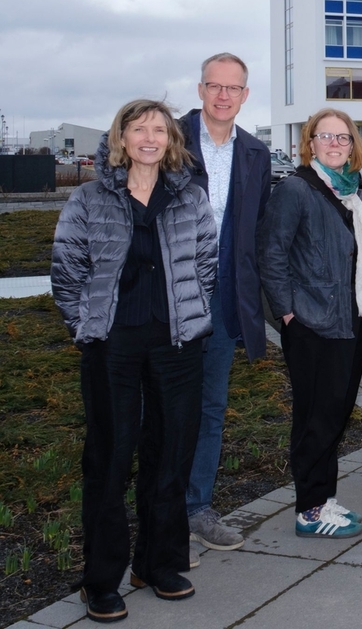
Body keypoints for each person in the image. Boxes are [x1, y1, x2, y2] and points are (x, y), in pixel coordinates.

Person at [51, 99, 219, 620]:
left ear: (172, 141)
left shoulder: (189, 198)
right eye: (138, 129)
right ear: (120, 138)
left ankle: (159, 561)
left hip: (177, 345)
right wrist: (86, 327)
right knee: (111, 456)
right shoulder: (88, 198)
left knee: (171, 452)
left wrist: (193, 320)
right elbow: (67, 267)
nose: (149, 138)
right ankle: (100, 578)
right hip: (112, 346)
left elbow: (206, 265)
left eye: (159, 130)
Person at [258, 109, 362, 538]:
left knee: (336, 414)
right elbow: (271, 254)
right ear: (309, 144)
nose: (334, 144)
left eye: (343, 138)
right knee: (316, 418)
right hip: (313, 325)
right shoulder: (296, 189)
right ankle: (308, 510)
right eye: (325, 137)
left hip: (350, 320)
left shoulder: (349, 193)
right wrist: (288, 314)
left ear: (352, 147)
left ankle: (323, 497)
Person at [179, 52, 271, 555]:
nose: (222, 96)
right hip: (166, 298)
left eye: (232, 88)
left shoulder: (255, 153)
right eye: (214, 86)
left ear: (244, 95)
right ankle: (160, 506)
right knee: (162, 404)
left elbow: (256, 232)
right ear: (200, 90)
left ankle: (197, 507)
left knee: (211, 406)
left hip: (222, 299)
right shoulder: (166, 140)